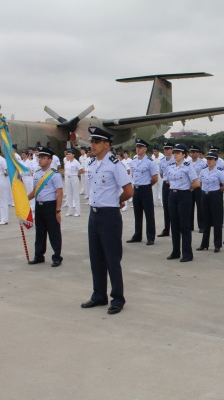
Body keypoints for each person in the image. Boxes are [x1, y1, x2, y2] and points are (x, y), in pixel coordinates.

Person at [81, 127, 133, 315]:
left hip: (109, 215)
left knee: (112, 258)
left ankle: (117, 298)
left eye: (96, 142)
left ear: (106, 144)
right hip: (93, 215)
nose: (92, 145)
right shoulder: (93, 163)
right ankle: (99, 295)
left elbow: (128, 190)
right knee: (96, 258)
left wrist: (116, 202)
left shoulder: (115, 164)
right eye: (92, 142)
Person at [27, 146, 64, 267]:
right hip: (39, 206)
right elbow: (35, 191)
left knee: (54, 232)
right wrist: (24, 199)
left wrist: (58, 210)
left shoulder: (54, 175)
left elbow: (59, 193)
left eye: (43, 158)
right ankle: (39, 256)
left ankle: (57, 256)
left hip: (50, 206)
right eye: (40, 158)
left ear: (50, 160)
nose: (40, 160)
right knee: (40, 232)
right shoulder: (37, 174)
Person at [166, 144, 200, 262]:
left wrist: (186, 188)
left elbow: (196, 183)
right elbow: (168, 181)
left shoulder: (188, 166)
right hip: (172, 195)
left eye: (178, 152)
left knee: (184, 226)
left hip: (184, 195)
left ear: (184, 155)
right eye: (174, 152)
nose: (175, 154)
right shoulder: (170, 166)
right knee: (174, 225)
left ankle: (187, 253)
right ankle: (175, 251)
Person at [128, 138, 158, 245]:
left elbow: (155, 178)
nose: (138, 149)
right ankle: (137, 235)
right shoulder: (133, 160)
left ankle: (150, 237)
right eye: (137, 147)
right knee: (137, 214)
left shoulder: (150, 162)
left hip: (145, 189)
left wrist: (148, 186)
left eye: (140, 147)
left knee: (149, 214)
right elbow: (132, 175)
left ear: (145, 149)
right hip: (136, 189)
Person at [197, 151, 224, 252]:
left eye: (211, 159)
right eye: (207, 159)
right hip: (204, 196)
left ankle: (217, 245)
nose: (209, 161)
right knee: (206, 220)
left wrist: (216, 191)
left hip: (215, 196)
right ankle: (204, 244)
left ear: (216, 160)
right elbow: (200, 183)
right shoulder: (203, 171)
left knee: (216, 221)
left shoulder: (219, 172)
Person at [157, 142, 176, 237]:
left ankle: (175, 229)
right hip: (165, 184)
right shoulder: (162, 161)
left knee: (174, 208)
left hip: (174, 185)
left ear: (172, 149)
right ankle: (166, 229)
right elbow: (161, 174)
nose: (166, 150)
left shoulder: (176, 159)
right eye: (165, 148)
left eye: (168, 148)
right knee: (166, 208)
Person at [189, 144, 207, 232]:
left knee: (200, 207)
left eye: (194, 152)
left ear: (198, 153)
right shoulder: (187, 163)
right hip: (190, 187)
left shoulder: (203, 163)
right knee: (189, 207)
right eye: (191, 152)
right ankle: (190, 225)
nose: (192, 154)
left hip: (199, 187)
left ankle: (201, 226)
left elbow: (204, 176)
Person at [63, 149, 84, 217]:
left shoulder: (76, 162)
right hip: (67, 178)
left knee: (75, 195)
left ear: (73, 155)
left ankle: (78, 212)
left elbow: (82, 170)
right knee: (69, 195)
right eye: (67, 154)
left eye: (69, 154)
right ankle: (70, 211)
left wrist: (76, 173)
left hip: (74, 178)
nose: (68, 155)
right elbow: (66, 170)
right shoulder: (67, 162)